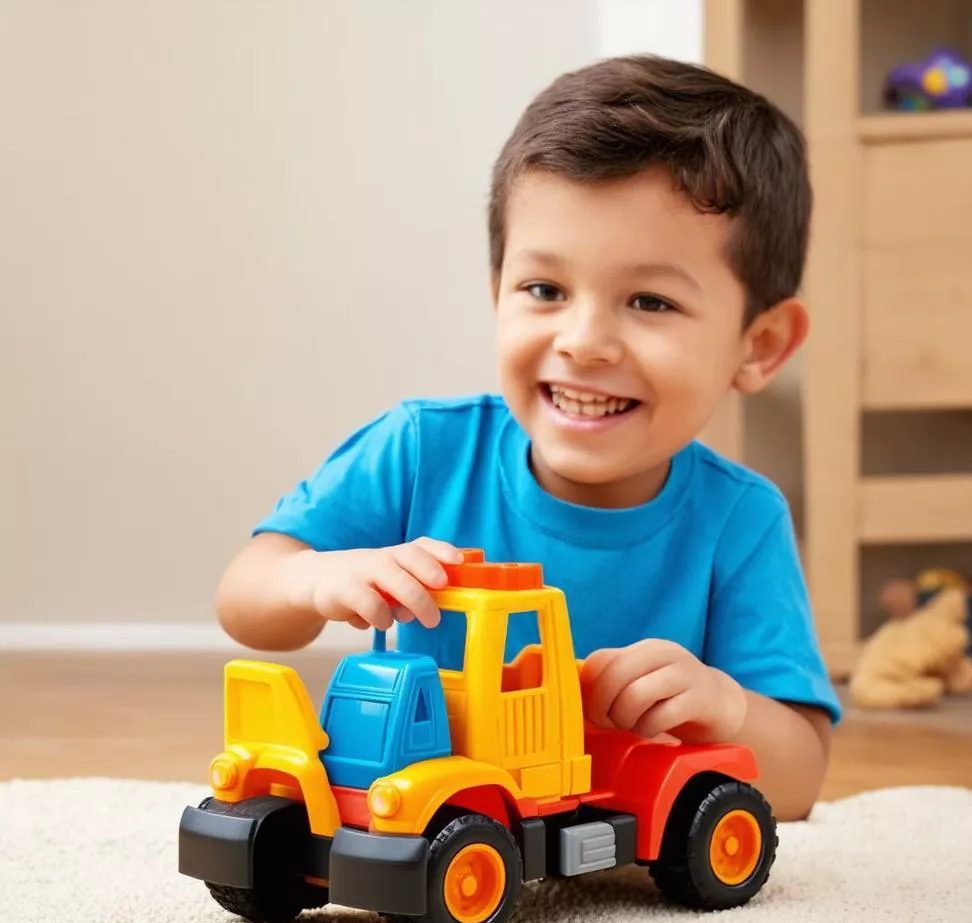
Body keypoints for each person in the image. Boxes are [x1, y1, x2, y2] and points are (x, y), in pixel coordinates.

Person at [216, 54, 841, 821]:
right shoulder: (422, 450)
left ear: (759, 345)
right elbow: (244, 599)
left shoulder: (739, 520)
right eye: (545, 290)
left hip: (610, 808)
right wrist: (318, 578)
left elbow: (801, 780)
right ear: (498, 293)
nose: (583, 342)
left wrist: (724, 706)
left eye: (650, 301)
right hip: (439, 805)